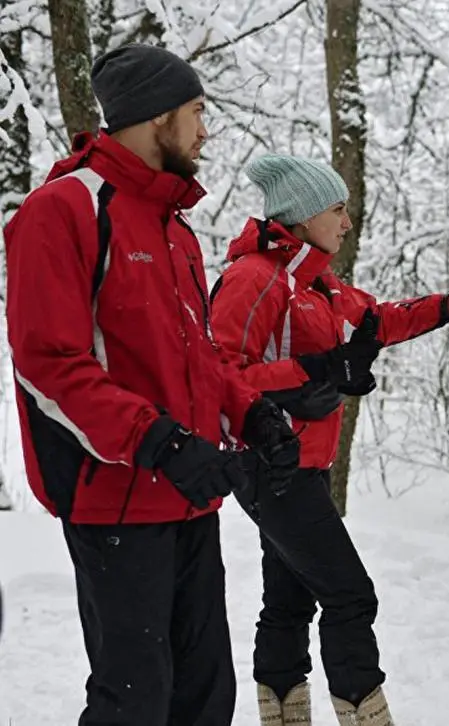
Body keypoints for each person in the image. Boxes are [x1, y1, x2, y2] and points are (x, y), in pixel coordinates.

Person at [2, 44, 299, 725]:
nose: (205, 130)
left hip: (189, 503)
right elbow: (48, 363)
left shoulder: (176, 231)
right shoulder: (64, 210)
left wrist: (252, 415)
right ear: (156, 117)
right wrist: (161, 443)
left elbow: (199, 361)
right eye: (196, 112)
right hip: (115, 503)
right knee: (135, 703)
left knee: (205, 699)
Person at [209, 153, 449, 726]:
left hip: (303, 466)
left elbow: (377, 321)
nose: (347, 222)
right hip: (266, 463)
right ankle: (365, 715)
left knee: (289, 600)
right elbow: (221, 377)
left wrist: (446, 307)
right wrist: (320, 371)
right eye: (338, 210)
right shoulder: (254, 278)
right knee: (350, 595)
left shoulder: (318, 286)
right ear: (303, 215)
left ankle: (283, 714)